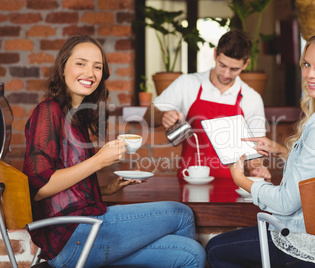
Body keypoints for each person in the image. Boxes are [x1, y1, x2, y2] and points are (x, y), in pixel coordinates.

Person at [23, 35, 205, 268]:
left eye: (97, 66)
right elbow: (38, 188)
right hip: (73, 237)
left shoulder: (75, 119)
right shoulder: (48, 111)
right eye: (81, 63)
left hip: (86, 231)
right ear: (63, 67)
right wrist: (99, 161)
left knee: (191, 254)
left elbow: (68, 191)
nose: (90, 72)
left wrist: (107, 189)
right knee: (181, 214)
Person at [205, 30, 315, 267]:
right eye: (307, 64)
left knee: (216, 249)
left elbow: (287, 203)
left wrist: (241, 179)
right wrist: (284, 151)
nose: (309, 74)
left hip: (310, 246)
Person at [144, 30, 270, 181]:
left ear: (246, 64)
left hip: (234, 184)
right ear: (215, 54)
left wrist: (257, 169)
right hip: (190, 179)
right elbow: (148, 116)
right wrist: (162, 115)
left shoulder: (252, 98)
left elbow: (255, 149)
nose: (226, 73)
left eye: (234, 69)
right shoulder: (187, 83)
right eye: (222, 65)